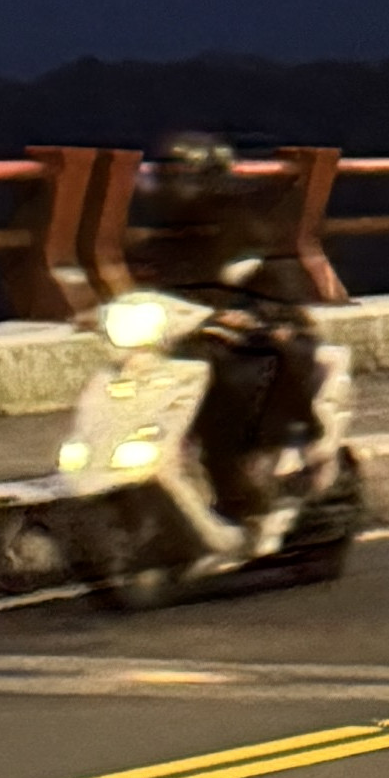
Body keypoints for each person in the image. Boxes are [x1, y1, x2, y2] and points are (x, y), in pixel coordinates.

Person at [123, 131, 327, 529]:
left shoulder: (243, 229)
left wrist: (258, 313)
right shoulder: (161, 241)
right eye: (166, 175)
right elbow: (144, 287)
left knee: (235, 382)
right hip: (193, 340)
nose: (171, 185)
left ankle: (253, 469)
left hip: (251, 340)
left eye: (180, 174)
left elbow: (275, 280)